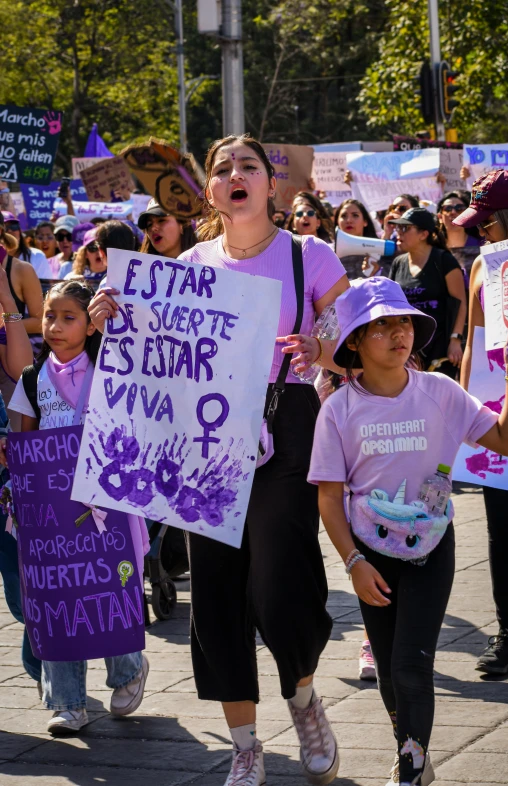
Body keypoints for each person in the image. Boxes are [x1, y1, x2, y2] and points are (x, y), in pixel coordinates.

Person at [88, 133, 349, 786]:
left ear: (270, 184)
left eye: (249, 166)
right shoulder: (190, 264)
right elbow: (152, 349)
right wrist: (108, 317)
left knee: (281, 584)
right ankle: (245, 744)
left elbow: (347, 330)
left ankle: (303, 697)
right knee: (217, 592)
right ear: (210, 190)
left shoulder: (306, 254)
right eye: (222, 168)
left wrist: (320, 350)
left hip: (284, 423)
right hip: (202, 437)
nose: (236, 175)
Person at [308, 276, 508, 786]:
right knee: (387, 673)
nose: (397, 333)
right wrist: (353, 565)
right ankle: (410, 751)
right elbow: (329, 499)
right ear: (354, 341)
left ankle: (411, 768)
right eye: (380, 325)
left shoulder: (441, 392)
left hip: (431, 548)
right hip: (370, 556)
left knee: (410, 664)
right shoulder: (338, 409)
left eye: (403, 320)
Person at [7, 280, 150, 735]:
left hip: (104, 505)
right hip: (50, 512)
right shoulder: (32, 379)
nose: (54, 326)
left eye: (69, 317)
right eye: (49, 316)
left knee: (106, 588)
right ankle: (67, 702)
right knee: (56, 599)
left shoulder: (112, 369)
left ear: (91, 325)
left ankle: (127, 669)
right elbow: (22, 441)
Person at [458, 169, 508, 675]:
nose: (480, 231)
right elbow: (475, 347)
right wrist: (463, 407)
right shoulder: (480, 265)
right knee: (502, 528)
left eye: (487, 222)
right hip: (499, 412)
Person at [0, 260, 39, 690]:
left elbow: (20, 368)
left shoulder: (14, 271)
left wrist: (7, 300)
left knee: (18, 577)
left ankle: (46, 666)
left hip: (8, 441)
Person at [388, 208, 466, 377]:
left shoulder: (444, 260)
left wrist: (455, 339)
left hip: (440, 348)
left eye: (405, 228)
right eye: (398, 228)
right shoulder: (398, 263)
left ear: (423, 234)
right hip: (407, 349)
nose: (399, 233)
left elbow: (461, 303)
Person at [437, 191, 480, 275]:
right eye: (447, 209)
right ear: (440, 217)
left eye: (459, 208)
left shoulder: (482, 246)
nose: (453, 212)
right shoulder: (435, 250)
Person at [333, 198, 378, 280]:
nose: (349, 220)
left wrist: (377, 273)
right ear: (337, 223)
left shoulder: (378, 251)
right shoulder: (329, 254)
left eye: (355, 215)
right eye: (344, 216)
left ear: (365, 222)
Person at [2, 212, 52, 279]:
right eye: (5, 227)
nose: (10, 231)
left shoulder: (36, 256)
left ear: (19, 231)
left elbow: (45, 287)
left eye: (14, 226)